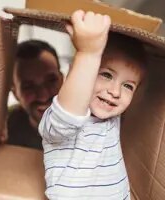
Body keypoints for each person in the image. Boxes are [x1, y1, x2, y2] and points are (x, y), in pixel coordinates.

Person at [39, 10, 146, 199]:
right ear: (74, 74)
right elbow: (67, 118)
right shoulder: (60, 117)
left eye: (128, 86)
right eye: (106, 75)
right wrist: (88, 53)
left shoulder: (112, 114)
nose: (116, 92)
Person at [1, 39, 63, 150]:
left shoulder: (89, 121)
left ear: (62, 80)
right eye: (28, 87)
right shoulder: (5, 126)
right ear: (15, 93)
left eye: (51, 80)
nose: (43, 96)